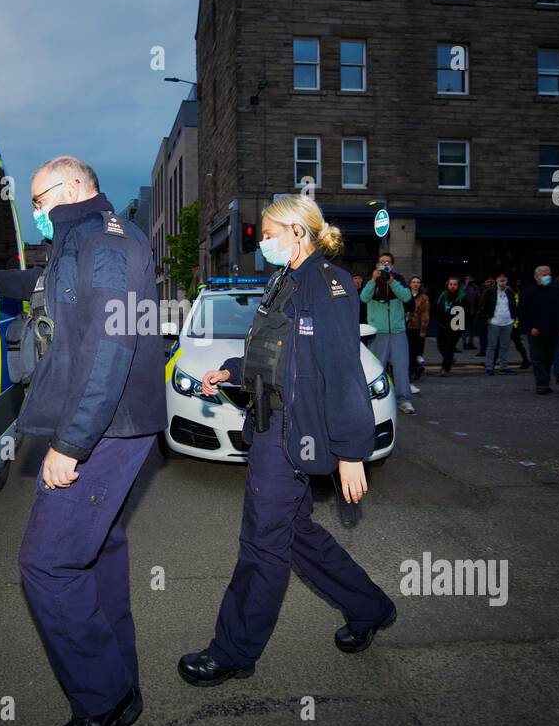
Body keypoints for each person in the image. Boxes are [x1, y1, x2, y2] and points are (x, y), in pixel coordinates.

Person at [0, 155, 164, 726]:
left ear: (73, 188)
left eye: (40, 202)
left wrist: (71, 445)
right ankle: (123, 691)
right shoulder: (88, 239)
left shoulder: (107, 246)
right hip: (109, 424)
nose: (37, 215)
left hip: (106, 429)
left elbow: (111, 347)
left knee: (46, 565)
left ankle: (100, 703)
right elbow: (48, 289)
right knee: (99, 554)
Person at [180, 195, 397, 688]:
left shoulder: (329, 285)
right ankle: (371, 608)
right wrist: (231, 370)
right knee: (295, 536)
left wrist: (351, 453)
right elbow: (275, 352)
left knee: (262, 545)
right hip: (269, 426)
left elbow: (343, 373)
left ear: (300, 232)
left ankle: (233, 651)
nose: (264, 241)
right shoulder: (285, 281)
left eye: (272, 232)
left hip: (289, 434)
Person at [359, 251, 414, 415]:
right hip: (378, 332)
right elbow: (363, 298)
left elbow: (406, 298)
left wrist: (392, 282)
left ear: (392, 265)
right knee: (377, 367)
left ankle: (403, 400)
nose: (385, 264)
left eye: (388, 262)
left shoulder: (398, 279)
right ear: (377, 265)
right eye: (382, 262)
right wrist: (373, 280)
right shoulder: (372, 281)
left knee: (401, 367)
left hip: (397, 331)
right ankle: (374, 401)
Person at [519, 265, 559, 394]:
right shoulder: (529, 292)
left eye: (548, 274)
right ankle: (541, 382)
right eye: (544, 274)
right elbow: (523, 312)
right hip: (535, 330)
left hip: (552, 329)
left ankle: (546, 379)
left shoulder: (556, 292)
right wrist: (529, 327)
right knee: (537, 357)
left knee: (549, 357)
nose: (547, 277)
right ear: (537, 277)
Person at [478, 271, 518, 376]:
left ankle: (503, 367)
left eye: (504, 280)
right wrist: (487, 318)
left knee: (505, 346)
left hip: (508, 322)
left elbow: (513, 305)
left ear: (507, 281)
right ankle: (489, 367)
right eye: (500, 280)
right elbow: (482, 306)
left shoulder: (510, 292)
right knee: (492, 346)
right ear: (496, 281)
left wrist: (513, 317)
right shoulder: (489, 291)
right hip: (494, 323)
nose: (502, 281)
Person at [434, 276, 467, 375]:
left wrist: (462, 325)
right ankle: (449, 360)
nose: (452, 286)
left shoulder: (462, 297)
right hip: (442, 325)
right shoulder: (442, 295)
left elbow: (466, 312)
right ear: (447, 285)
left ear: (458, 286)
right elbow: (436, 307)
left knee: (449, 347)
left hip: (456, 325)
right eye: (451, 284)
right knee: (440, 345)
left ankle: (445, 369)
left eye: (455, 284)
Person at [405, 274, 430, 382]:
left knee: (416, 350)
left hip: (417, 327)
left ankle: (414, 370)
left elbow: (425, 314)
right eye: (413, 282)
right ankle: (411, 370)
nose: (415, 284)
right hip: (404, 326)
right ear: (410, 284)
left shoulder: (424, 298)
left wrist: (423, 329)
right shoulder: (405, 295)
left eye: (418, 282)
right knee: (407, 350)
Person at [461, 274, 480, 349]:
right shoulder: (462, 287)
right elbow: (461, 295)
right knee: (464, 328)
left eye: (470, 278)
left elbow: (478, 297)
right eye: (466, 278)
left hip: (473, 311)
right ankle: (464, 343)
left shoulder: (475, 287)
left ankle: (471, 342)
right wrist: (466, 285)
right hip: (465, 311)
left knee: (472, 328)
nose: (468, 280)